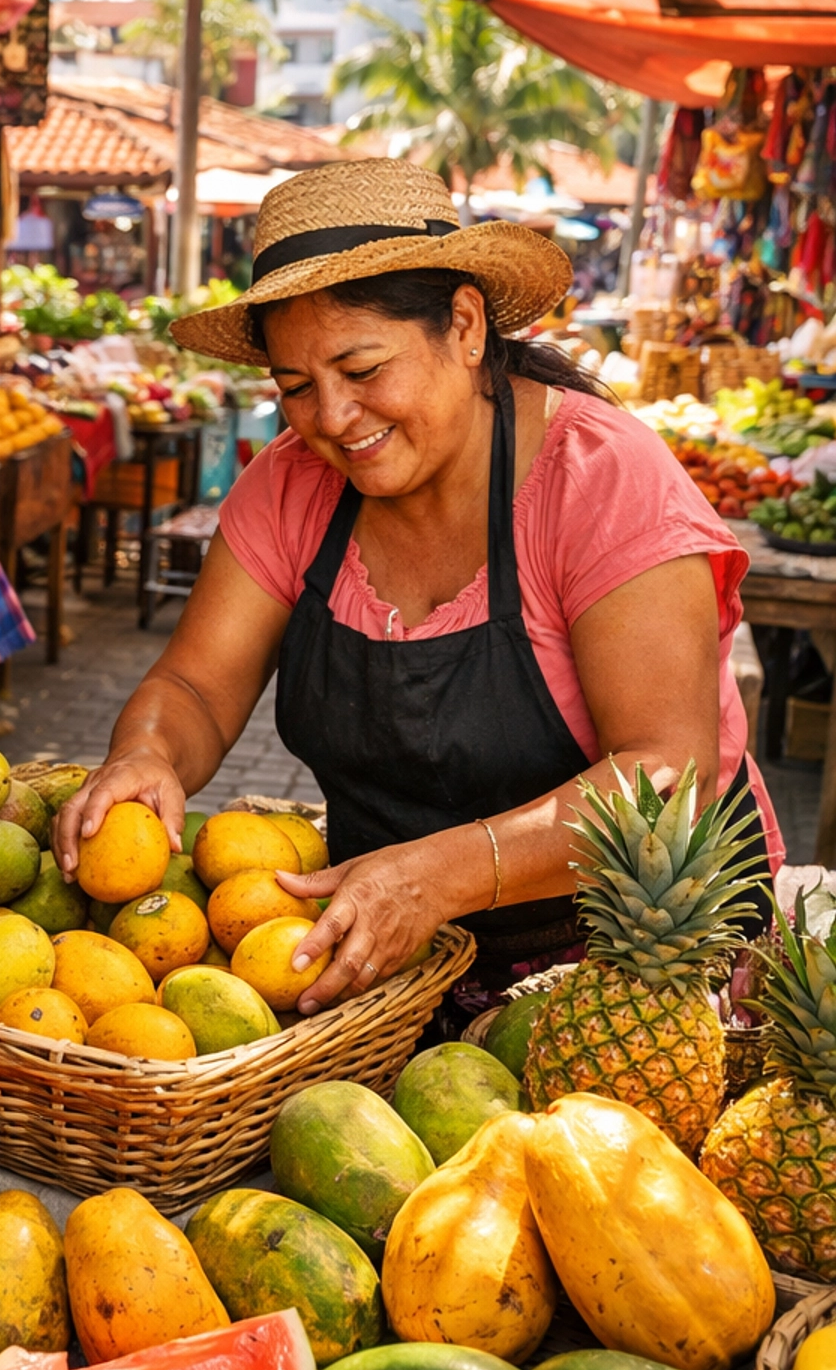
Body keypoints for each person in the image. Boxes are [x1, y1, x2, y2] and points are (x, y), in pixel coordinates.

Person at [55, 162, 779, 1014]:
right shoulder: (291, 486)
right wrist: (148, 752)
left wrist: (438, 875)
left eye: (362, 370)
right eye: (295, 388)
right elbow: (195, 687)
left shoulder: (601, 479)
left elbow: (667, 772)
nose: (329, 418)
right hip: (393, 961)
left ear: (465, 325)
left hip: (629, 974)